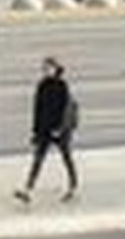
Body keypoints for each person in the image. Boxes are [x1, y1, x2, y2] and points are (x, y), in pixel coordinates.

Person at [15, 57, 80, 203]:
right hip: (45, 129)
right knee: (38, 159)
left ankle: (73, 186)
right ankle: (28, 189)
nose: (45, 71)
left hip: (61, 130)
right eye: (44, 68)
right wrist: (35, 131)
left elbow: (65, 109)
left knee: (67, 157)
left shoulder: (62, 85)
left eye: (48, 68)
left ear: (56, 69)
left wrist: (59, 128)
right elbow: (37, 110)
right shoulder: (42, 86)